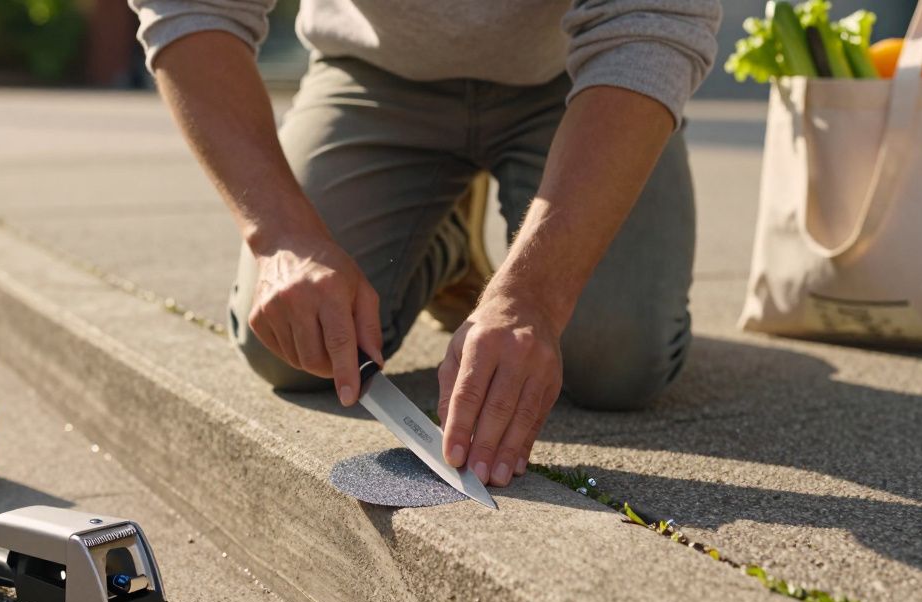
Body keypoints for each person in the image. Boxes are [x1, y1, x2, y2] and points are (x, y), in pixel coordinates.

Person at [130, 0, 722, 488]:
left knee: (618, 361)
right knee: (295, 348)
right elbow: (192, 7)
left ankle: (500, 264)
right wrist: (283, 235)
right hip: (375, 70)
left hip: (579, 77)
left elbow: (653, 23)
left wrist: (533, 295)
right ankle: (446, 247)